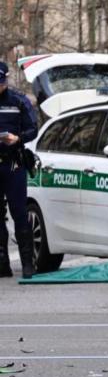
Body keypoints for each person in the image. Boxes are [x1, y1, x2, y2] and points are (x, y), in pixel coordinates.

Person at [0, 62, 38, 279]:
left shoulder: (18, 100)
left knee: (19, 212)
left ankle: (27, 264)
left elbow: (33, 128)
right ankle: (2, 264)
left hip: (13, 163)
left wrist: (18, 138)